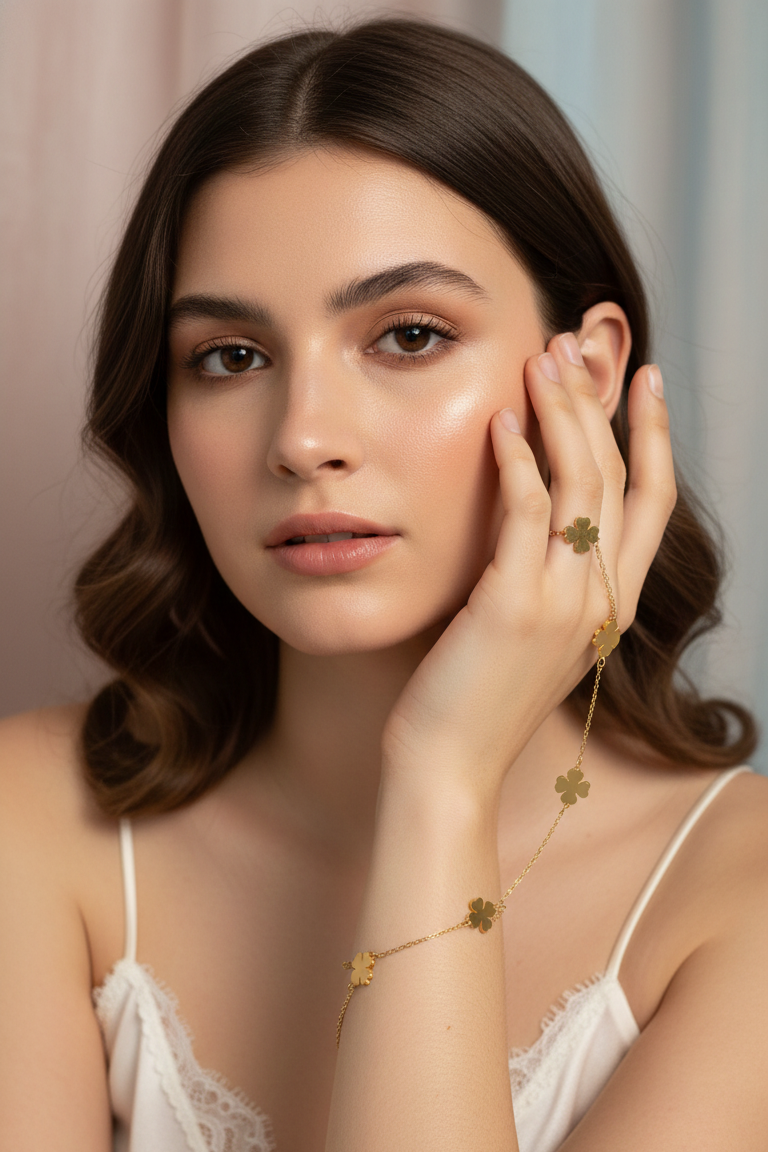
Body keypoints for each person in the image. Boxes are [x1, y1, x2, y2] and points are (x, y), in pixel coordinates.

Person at [0, 16, 765, 1151]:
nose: (303, 438)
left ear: (589, 373)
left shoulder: (738, 898)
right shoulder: (31, 823)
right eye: (231, 357)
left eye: (408, 335)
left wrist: (444, 777)